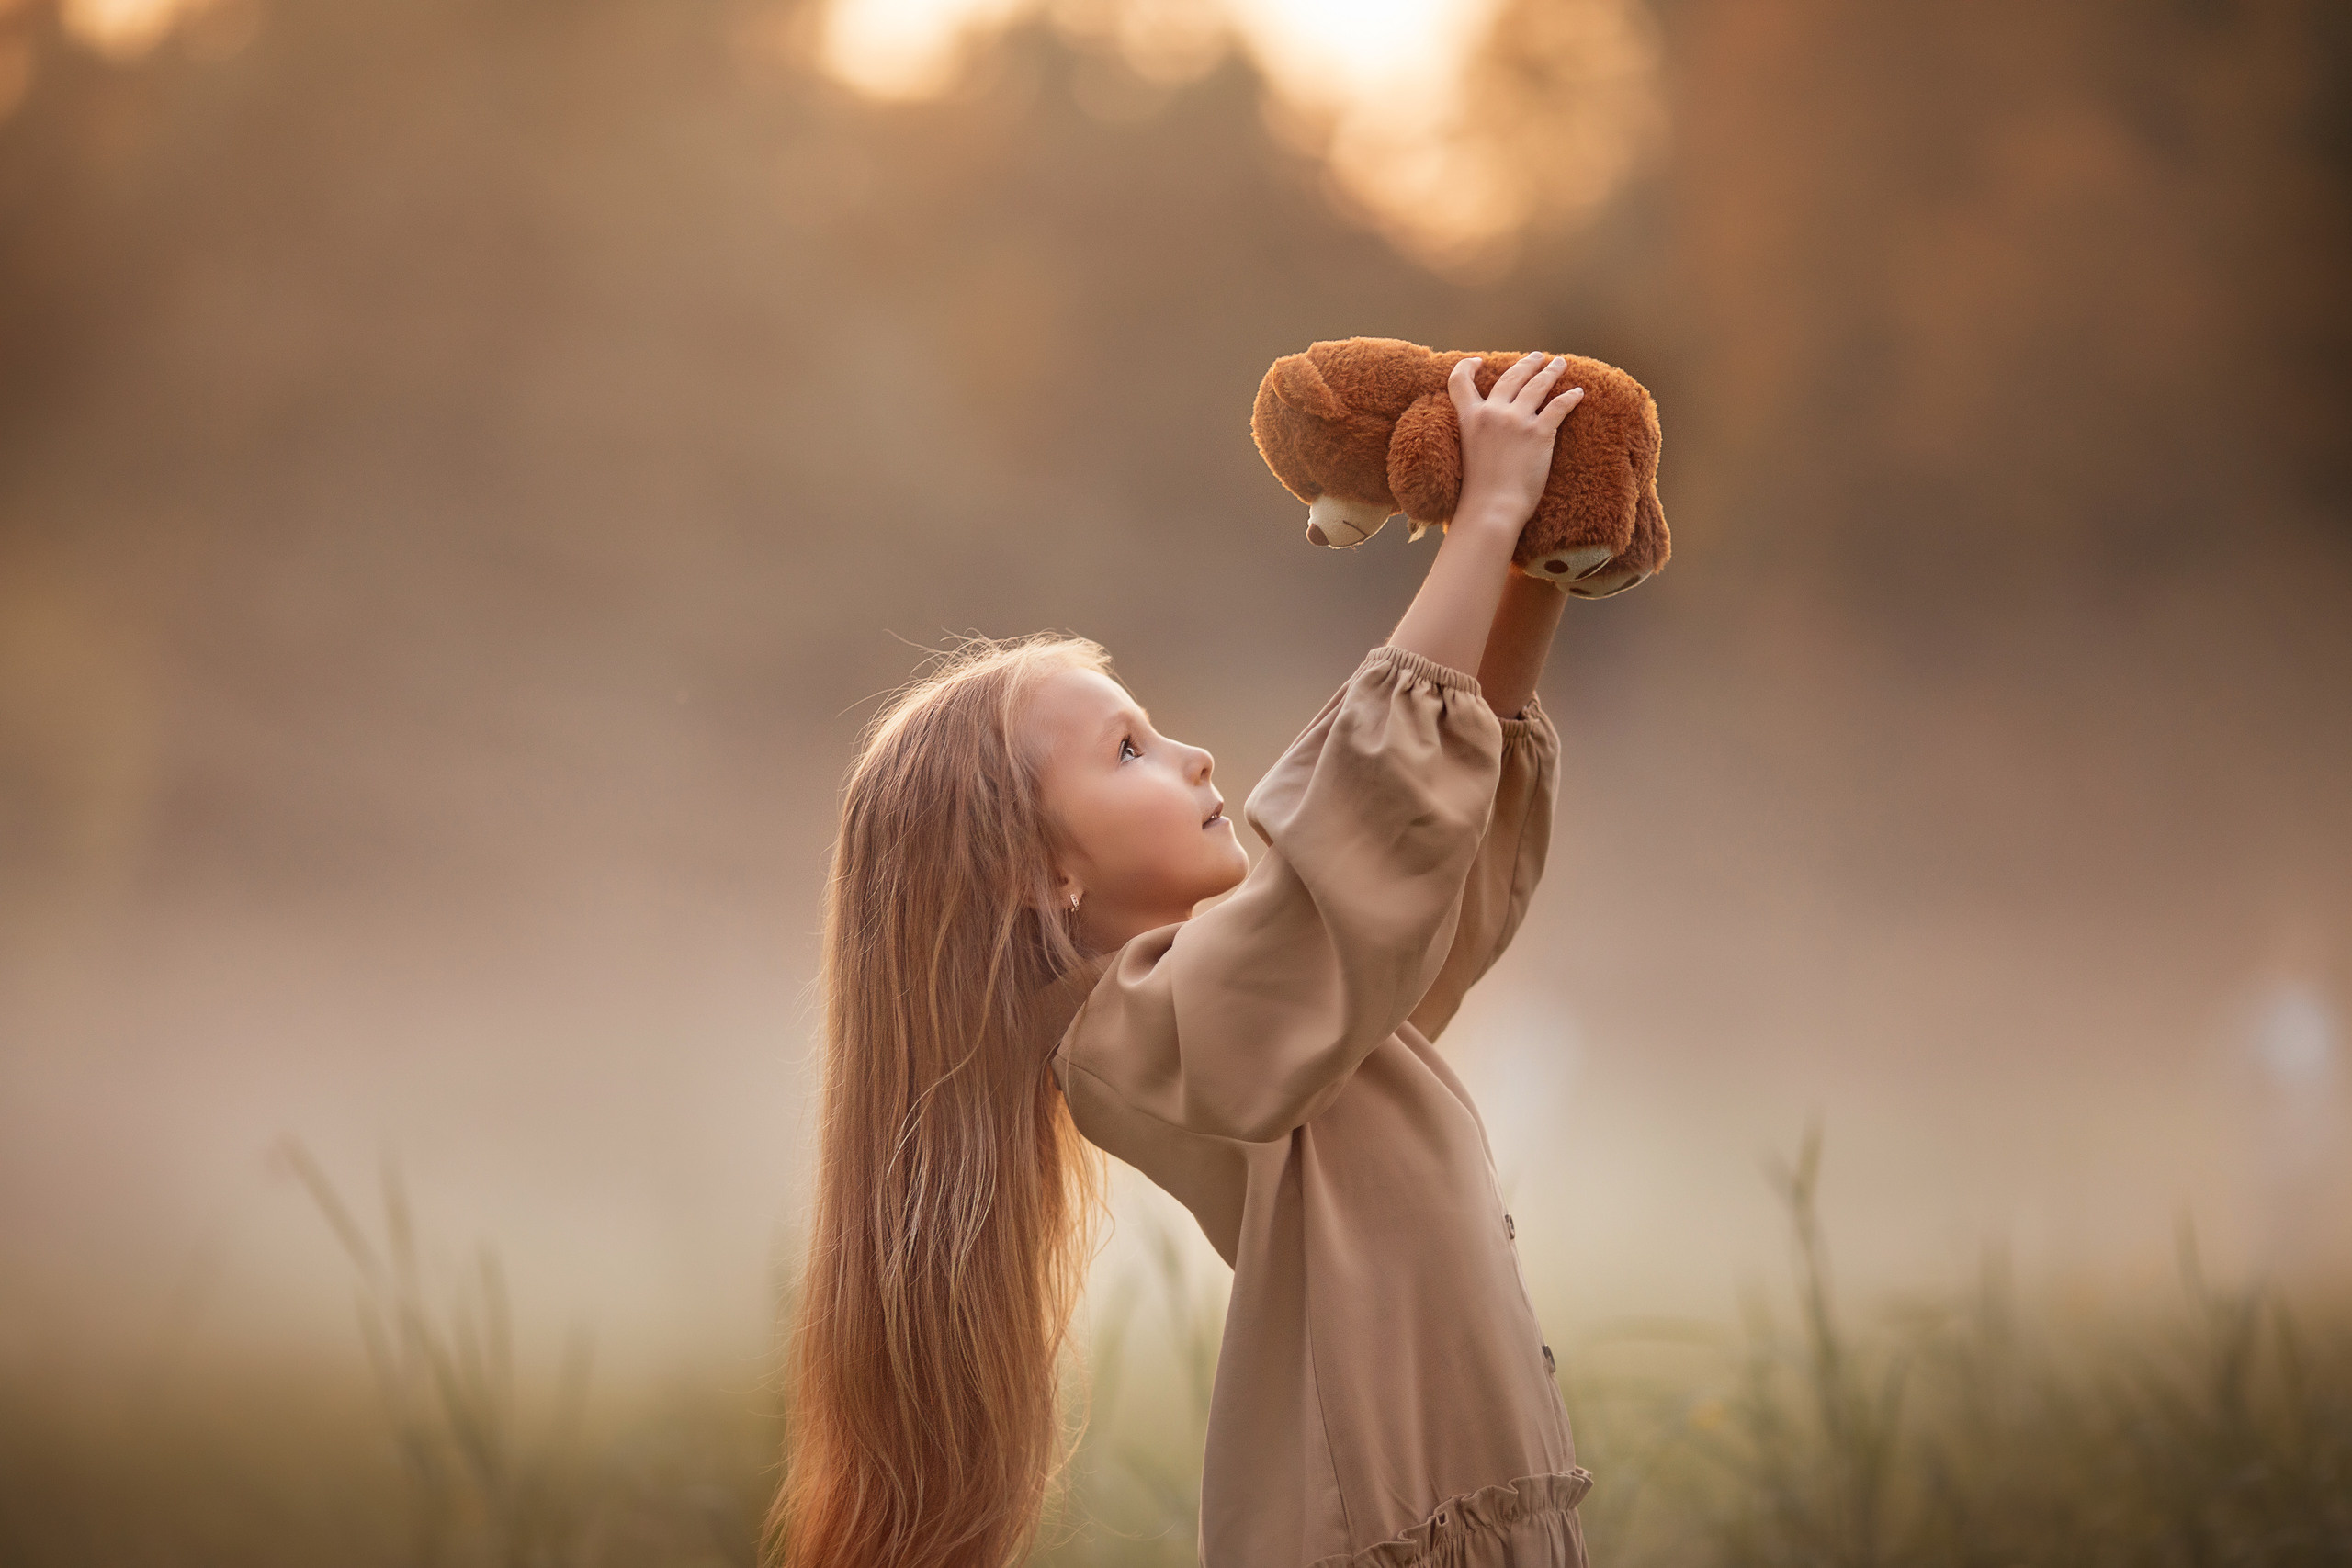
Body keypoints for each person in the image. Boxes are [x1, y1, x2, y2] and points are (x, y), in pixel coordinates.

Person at [772, 351, 1591, 1568]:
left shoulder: (1260, 991)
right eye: (1130, 753)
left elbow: (1420, 889)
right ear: (1036, 872)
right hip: (1377, 1524)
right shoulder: (1134, 1042)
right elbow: (1353, 862)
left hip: (1461, 1499)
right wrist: (1480, 522)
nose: (1197, 757)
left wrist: (1538, 564)